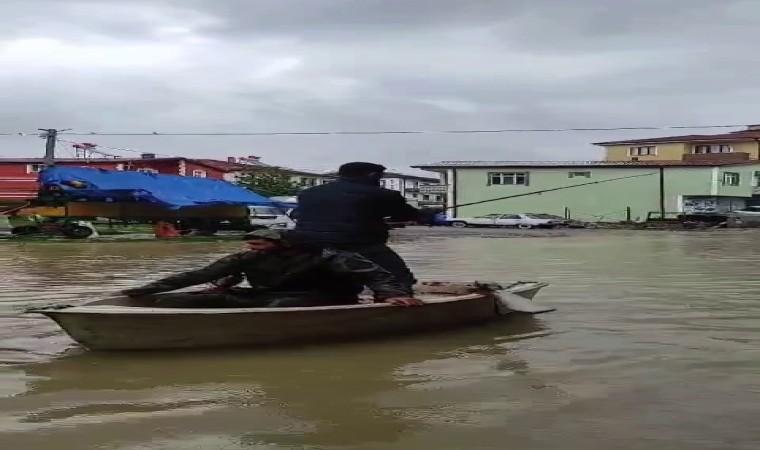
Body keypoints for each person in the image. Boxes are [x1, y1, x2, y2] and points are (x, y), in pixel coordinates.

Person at [120, 229, 422, 308]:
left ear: (286, 245)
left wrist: (391, 295)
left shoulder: (331, 256)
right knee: (174, 301)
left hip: (320, 298)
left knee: (282, 303)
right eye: (252, 245)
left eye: (260, 244)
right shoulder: (245, 259)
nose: (251, 249)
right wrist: (147, 290)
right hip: (262, 298)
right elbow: (196, 276)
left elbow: (376, 275)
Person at [290, 162, 420, 289]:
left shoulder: (307, 193)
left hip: (308, 245)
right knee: (398, 278)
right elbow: (406, 214)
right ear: (372, 175)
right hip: (359, 244)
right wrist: (431, 218)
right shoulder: (383, 194)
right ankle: (398, 301)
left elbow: (298, 214)